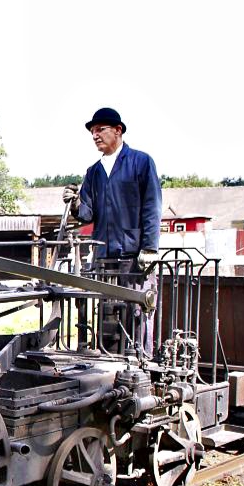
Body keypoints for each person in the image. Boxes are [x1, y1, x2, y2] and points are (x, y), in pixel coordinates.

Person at [62, 108, 162, 357]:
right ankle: (109, 359)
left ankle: (141, 361)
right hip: (104, 254)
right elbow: (87, 214)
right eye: (93, 132)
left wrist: (150, 247)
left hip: (134, 255)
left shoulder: (140, 162)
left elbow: (152, 205)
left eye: (100, 129)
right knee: (107, 311)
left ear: (118, 130)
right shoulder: (93, 172)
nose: (95, 135)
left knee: (137, 311)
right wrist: (75, 202)